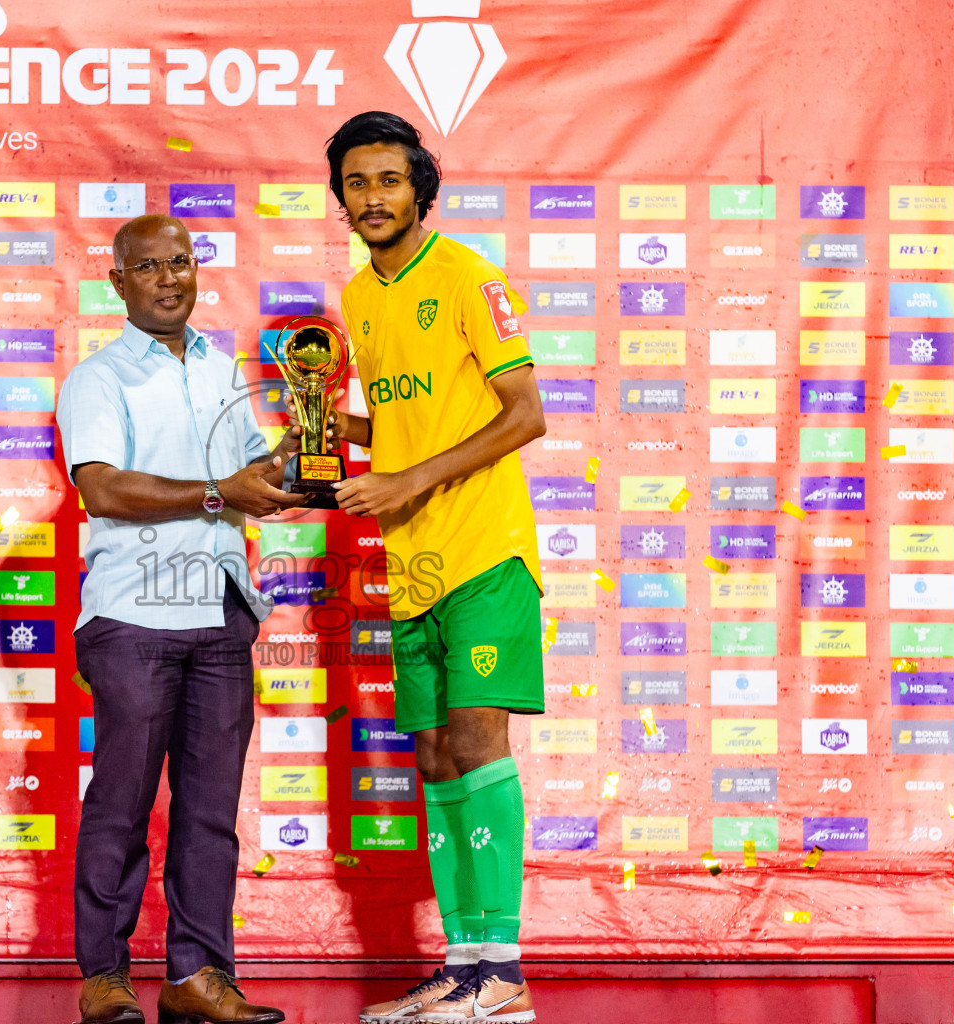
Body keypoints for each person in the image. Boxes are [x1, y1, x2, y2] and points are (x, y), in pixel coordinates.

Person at [324, 111, 547, 1024]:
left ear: (421, 186)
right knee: (432, 752)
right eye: (356, 183)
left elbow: (526, 413)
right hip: (408, 566)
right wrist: (338, 435)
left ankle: (504, 971)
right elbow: (411, 429)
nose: (372, 198)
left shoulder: (466, 274)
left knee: (478, 741)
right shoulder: (356, 299)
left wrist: (408, 475)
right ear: (339, 197)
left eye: (388, 180)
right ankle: (463, 967)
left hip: (486, 553)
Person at [56, 214, 302, 1024]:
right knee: (122, 804)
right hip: (133, 614)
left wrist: (305, 451)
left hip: (222, 611)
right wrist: (215, 494)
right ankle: (105, 975)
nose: (170, 278)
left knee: (208, 812)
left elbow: (256, 475)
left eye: (181, 263)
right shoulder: (98, 379)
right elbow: (103, 489)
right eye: (149, 267)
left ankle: (199, 976)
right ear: (118, 283)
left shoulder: (225, 370)